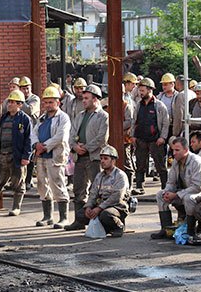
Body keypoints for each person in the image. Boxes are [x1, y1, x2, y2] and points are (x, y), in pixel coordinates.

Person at [0, 90, 32, 216]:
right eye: (9, 101)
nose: (10, 104)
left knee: (18, 183)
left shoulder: (25, 119)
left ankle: (16, 208)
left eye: (13, 102)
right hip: (3, 155)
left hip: (16, 156)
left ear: (20, 104)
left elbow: (29, 139)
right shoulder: (4, 117)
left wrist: (26, 156)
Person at [65, 85, 109, 231]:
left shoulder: (103, 116)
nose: (83, 101)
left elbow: (101, 138)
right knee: (78, 189)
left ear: (95, 99)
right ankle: (79, 220)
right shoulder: (80, 115)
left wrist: (86, 148)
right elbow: (71, 134)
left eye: (86, 98)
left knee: (96, 190)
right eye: (83, 98)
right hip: (79, 158)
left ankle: (96, 221)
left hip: (94, 157)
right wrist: (75, 147)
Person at [151, 137, 201, 245]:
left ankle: (191, 232)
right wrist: (167, 192)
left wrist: (176, 194)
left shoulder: (197, 162)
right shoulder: (176, 162)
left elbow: (197, 187)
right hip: (183, 191)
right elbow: (171, 182)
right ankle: (165, 229)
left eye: (177, 150)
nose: (174, 153)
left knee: (188, 198)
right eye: (173, 150)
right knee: (160, 195)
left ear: (186, 150)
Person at [64, 145, 129, 237]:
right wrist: (88, 207)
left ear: (113, 160)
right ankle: (104, 228)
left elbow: (117, 197)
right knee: (80, 215)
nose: (102, 161)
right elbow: (93, 193)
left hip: (117, 206)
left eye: (106, 158)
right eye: (101, 158)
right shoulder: (99, 176)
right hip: (101, 206)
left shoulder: (120, 175)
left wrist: (99, 208)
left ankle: (118, 226)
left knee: (106, 215)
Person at [31, 86, 71, 229]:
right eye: (46, 102)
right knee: (42, 185)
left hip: (55, 156)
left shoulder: (63, 118)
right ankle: (47, 216)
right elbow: (34, 132)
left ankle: (63, 218)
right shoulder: (42, 118)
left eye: (51, 102)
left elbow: (61, 136)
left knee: (58, 184)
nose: (48, 105)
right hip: (41, 157)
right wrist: (36, 144)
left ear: (58, 102)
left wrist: (45, 146)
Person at [130, 77, 169, 193]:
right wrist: (133, 135)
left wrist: (163, 137)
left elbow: (166, 122)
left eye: (142, 91)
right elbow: (134, 120)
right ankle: (139, 186)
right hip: (141, 139)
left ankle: (165, 187)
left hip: (155, 140)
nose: (140, 93)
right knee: (140, 164)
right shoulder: (139, 105)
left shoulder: (160, 106)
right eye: (139, 91)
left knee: (160, 165)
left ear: (149, 90)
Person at [19, 76, 40, 190]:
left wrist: (20, 101)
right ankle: (20, 180)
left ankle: (28, 180)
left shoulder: (35, 99)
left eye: (27, 88)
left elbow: (30, 110)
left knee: (30, 156)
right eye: (23, 89)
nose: (25, 91)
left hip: (31, 131)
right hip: (20, 130)